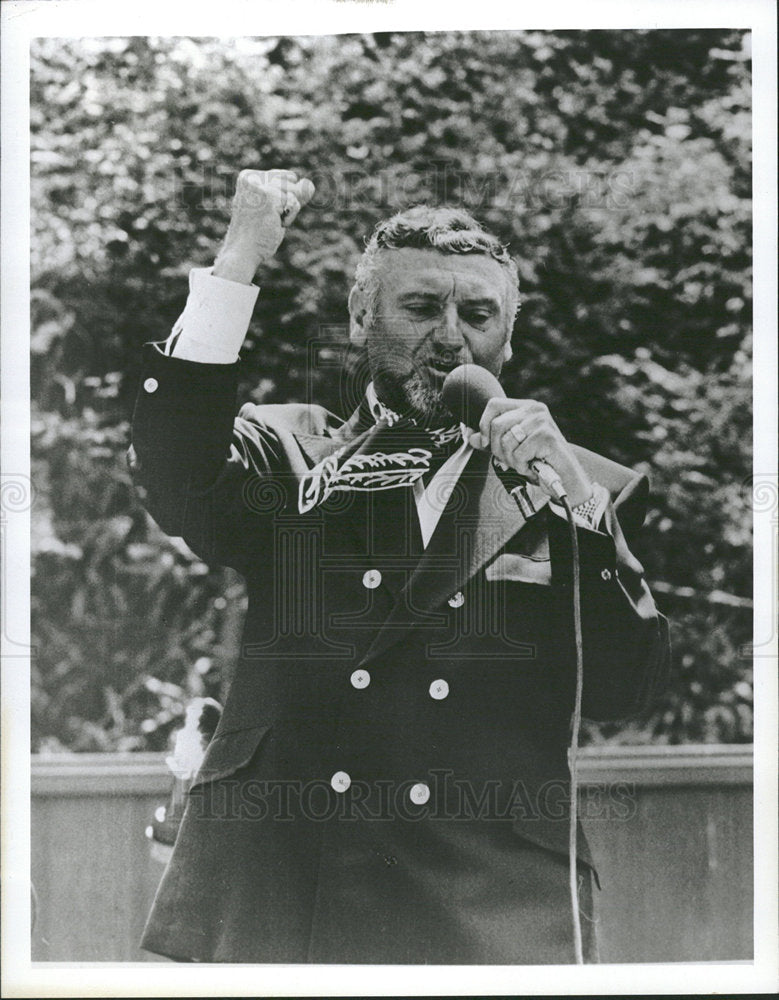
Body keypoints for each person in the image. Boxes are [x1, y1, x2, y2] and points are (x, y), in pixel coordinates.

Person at [131, 168, 670, 964]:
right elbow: (177, 468)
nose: (451, 337)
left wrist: (575, 500)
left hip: (494, 903)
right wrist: (239, 255)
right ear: (361, 319)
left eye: (477, 314)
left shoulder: (588, 485)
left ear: (507, 338)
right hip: (292, 886)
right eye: (420, 308)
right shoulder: (289, 450)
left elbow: (631, 689)